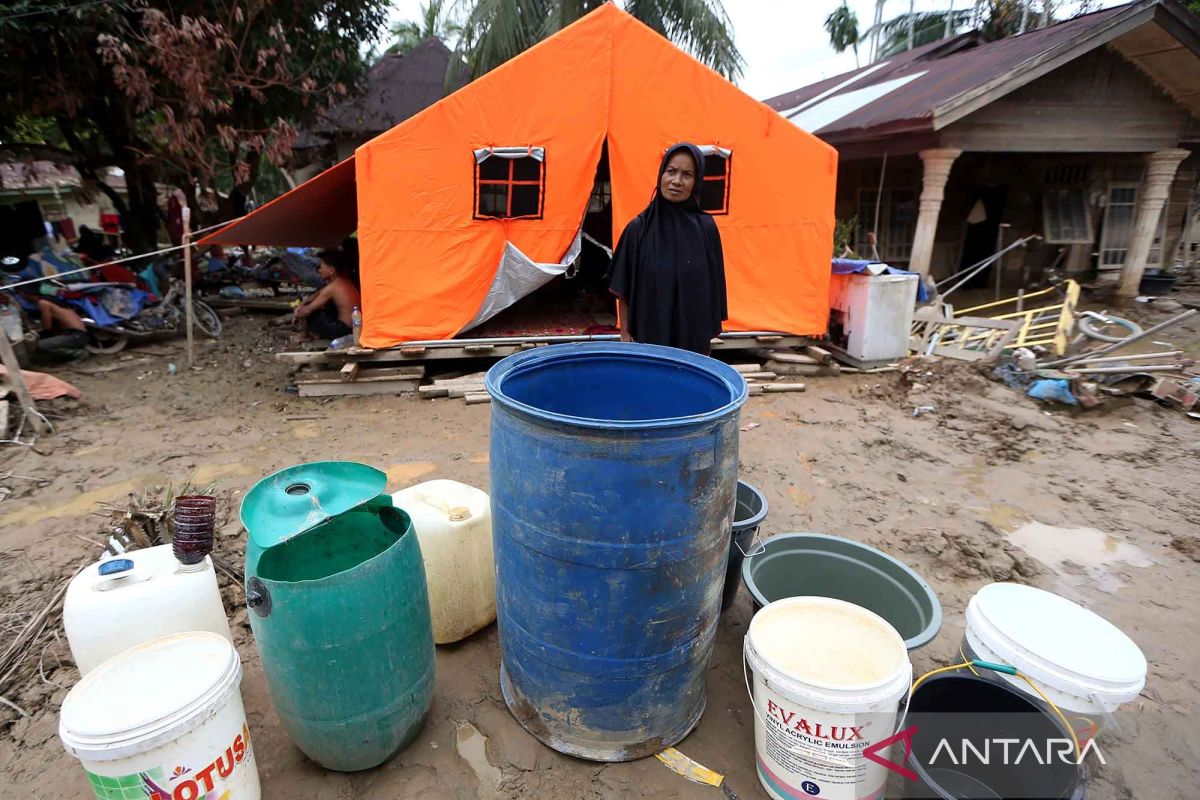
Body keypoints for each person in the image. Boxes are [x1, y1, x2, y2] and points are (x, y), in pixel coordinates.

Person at [608, 143, 727, 355]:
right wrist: (626, 338)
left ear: (697, 181)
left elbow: (714, 288)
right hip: (650, 342)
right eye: (671, 171)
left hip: (693, 344)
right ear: (661, 174)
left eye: (687, 174)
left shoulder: (706, 229)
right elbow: (623, 290)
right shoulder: (638, 230)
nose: (676, 181)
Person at [293, 248, 361, 342]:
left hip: (344, 331)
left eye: (321, 267)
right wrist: (305, 301)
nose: (319, 270)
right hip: (355, 327)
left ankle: (304, 336)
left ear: (331, 270)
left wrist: (298, 311)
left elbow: (307, 311)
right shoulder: (344, 281)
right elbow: (320, 293)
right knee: (324, 307)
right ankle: (313, 335)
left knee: (311, 313)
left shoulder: (333, 287)